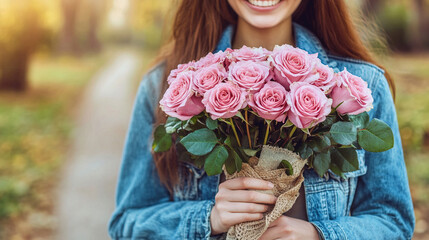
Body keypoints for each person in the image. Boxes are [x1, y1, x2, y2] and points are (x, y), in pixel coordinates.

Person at [108, 0, 415, 239]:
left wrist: (320, 235)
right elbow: (127, 222)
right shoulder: (166, 86)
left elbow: (393, 220)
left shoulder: (360, 86)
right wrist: (208, 219)